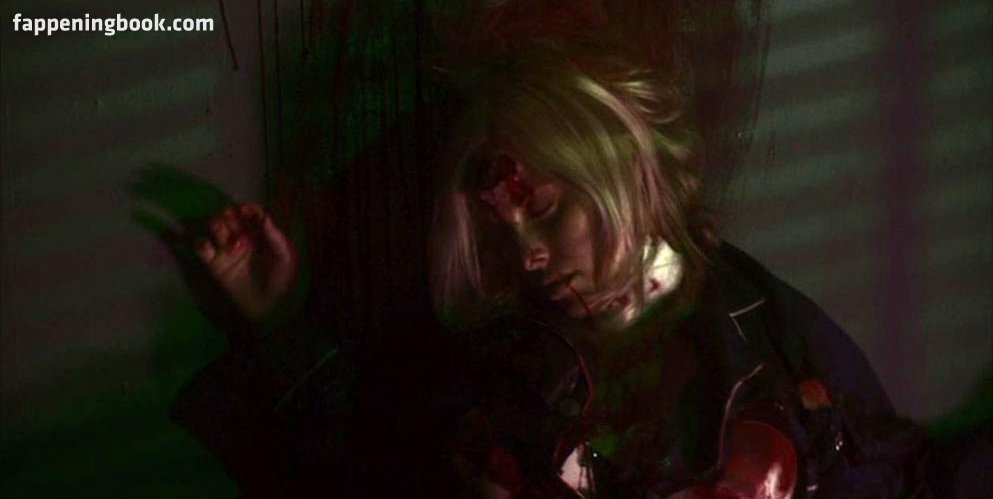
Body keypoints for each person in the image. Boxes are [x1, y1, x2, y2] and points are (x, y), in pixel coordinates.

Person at [172, 19, 933, 499]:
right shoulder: (504, 368)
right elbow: (368, 463)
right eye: (503, 235)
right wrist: (278, 324)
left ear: (612, 168)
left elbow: (894, 468)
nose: (529, 258)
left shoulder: (756, 318)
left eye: (543, 210)